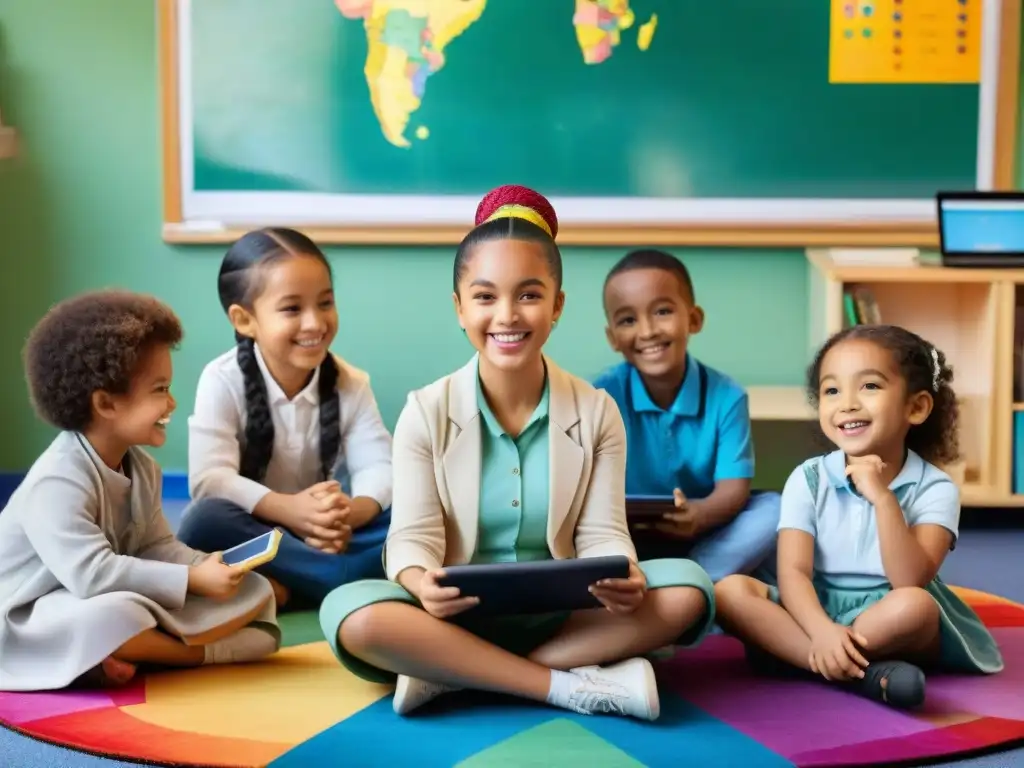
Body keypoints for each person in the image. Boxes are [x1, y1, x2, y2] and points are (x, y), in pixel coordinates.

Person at [318, 185, 715, 722]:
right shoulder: (425, 411)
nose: (507, 315)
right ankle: (559, 684)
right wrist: (419, 583)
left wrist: (624, 574)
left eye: (529, 295)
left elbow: (601, 532)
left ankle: (455, 674)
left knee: (689, 590)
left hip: (566, 616)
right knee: (353, 616)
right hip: (450, 617)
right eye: (485, 297)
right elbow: (411, 540)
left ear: (557, 306)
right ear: (460, 309)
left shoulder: (597, 412)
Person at [0, 290, 279, 692]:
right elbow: (92, 575)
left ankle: (123, 653)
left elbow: (156, 545)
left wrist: (205, 564)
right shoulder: (56, 481)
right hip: (34, 613)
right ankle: (192, 654)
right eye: (159, 389)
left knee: (256, 589)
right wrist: (192, 580)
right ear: (106, 404)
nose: (172, 401)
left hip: (102, 596)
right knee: (113, 615)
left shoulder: (143, 467)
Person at [714, 324, 1003, 710]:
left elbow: (908, 579)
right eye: (832, 390)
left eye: (869, 386)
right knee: (729, 591)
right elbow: (794, 573)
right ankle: (858, 672)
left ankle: (796, 655)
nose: (847, 403)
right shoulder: (808, 478)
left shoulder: (936, 488)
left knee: (916, 607)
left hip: (885, 613)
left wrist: (883, 499)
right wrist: (820, 632)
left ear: (915, 407)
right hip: (814, 604)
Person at [178, 228, 394, 609]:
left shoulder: (351, 382)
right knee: (204, 519)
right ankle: (343, 579)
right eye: (292, 309)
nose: (314, 323)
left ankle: (290, 585)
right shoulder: (222, 380)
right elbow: (210, 479)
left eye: (325, 303)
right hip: (260, 531)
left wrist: (346, 515)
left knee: (422, 506)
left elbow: (380, 467)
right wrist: (290, 510)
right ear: (245, 320)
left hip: (327, 537)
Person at [593, 249, 781, 582]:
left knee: (775, 509)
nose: (648, 331)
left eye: (662, 311)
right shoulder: (602, 395)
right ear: (612, 338)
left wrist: (699, 515)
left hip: (704, 534)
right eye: (627, 320)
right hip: (626, 536)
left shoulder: (727, 395)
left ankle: (686, 581)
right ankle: (681, 587)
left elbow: (733, 489)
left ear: (693, 319)